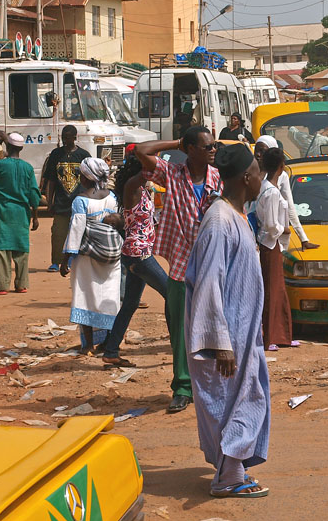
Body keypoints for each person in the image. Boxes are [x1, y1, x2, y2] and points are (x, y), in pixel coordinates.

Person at [185, 143, 271, 498]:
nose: (261, 179)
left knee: (245, 397)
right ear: (246, 177)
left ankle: (231, 468)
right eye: (257, 173)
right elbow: (208, 282)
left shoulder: (237, 216)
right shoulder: (220, 221)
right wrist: (217, 342)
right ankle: (229, 477)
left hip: (243, 333)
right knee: (236, 401)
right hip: (227, 337)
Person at [136, 127, 222, 414]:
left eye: (214, 146)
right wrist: (177, 142)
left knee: (212, 328)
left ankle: (207, 385)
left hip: (212, 264)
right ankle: (182, 387)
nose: (212, 150)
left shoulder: (217, 177)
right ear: (191, 149)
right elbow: (142, 151)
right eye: (207, 146)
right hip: (181, 267)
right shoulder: (171, 174)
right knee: (180, 331)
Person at [99, 154, 168, 368]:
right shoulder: (133, 186)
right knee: (173, 294)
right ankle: (181, 342)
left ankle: (111, 350)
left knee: (129, 303)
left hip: (137, 252)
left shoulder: (143, 188)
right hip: (139, 254)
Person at [60, 158, 121, 355]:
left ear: (86, 178)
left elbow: (76, 231)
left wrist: (65, 259)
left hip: (87, 257)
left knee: (85, 296)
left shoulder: (81, 201)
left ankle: (87, 345)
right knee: (109, 297)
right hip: (111, 257)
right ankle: (108, 342)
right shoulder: (113, 197)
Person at [0, 134, 41, 295]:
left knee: (2, 248)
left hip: (1, 213)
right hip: (21, 214)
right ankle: (21, 284)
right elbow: (34, 194)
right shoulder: (28, 168)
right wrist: (36, 216)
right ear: (21, 148)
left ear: (7, 147)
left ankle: (3, 285)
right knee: (21, 248)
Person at [256, 147, 296, 352]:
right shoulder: (271, 192)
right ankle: (269, 336)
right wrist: (285, 229)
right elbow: (271, 224)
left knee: (277, 289)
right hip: (270, 243)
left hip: (271, 243)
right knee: (271, 290)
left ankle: (280, 335)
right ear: (281, 167)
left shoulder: (264, 186)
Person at [255, 135, 319, 250]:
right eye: (257, 150)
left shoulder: (281, 176)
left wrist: (303, 238)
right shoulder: (250, 173)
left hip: (271, 240)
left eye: (262, 151)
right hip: (255, 234)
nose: (258, 154)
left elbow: (290, 206)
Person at [42, 125, 91, 272]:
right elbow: (50, 180)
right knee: (58, 233)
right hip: (61, 203)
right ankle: (56, 261)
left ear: (75, 137)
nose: (65, 140)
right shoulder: (55, 155)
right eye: (63, 137)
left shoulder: (84, 155)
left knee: (79, 233)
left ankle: (74, 261)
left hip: (80, 203)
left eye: (68, 137)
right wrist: (49, 202)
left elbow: (90, 180)